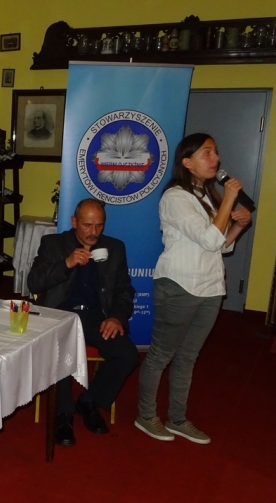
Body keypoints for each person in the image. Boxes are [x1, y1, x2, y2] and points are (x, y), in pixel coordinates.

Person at [134, 133, 251, 445]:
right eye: (207, 153)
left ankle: (178, 419)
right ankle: (146, 415)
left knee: (188, 357)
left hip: (210, 287)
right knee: (161, 355)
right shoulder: (176, 198)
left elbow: (220, 246)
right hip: (179, 286)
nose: (216, 159)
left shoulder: (206, 196)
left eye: (216, 152)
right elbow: (210, 239)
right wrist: (229, 198)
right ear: (187, 162)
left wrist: (238, 226)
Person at [27, 199, 138, 445]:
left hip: (95, 317)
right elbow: (33, 283)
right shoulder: (53, 244)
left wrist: (116, 317)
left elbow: (124, 290)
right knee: (62, 348)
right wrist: (66, 264)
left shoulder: (114, 248)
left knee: (127, 354)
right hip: (59, 314)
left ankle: (90, 401)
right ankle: (63, 414)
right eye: (87, 225)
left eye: (99, 225)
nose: (94, 232)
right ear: (74, 222)